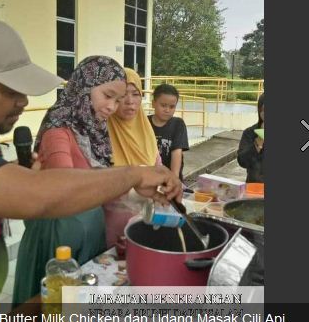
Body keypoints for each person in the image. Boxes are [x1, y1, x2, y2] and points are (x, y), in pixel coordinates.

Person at [0, 19, 181, 319]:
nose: (24, 102)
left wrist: (11, 172)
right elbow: (38, 196)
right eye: (11, 91)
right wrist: (133, 174)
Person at [12, 55, 126, 305]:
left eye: (118, 101)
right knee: (54, 309)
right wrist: (128, 178)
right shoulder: (57, 130)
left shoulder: (93, 131)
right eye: (107, 96)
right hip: (59, 238)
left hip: (89, 230)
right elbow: (67, 185)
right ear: (84, 87)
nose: (112, 107)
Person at [104, 68, 163, 248]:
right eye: (123, 95)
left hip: (148, 218)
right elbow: (98, 183)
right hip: (114, 222)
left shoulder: (146, 130)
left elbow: (158, 168)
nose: (130, 101)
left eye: (135, 94)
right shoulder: (102, 132)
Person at [148, 84, 189, 182]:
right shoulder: (145, 123)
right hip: (149, 178)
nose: (167, 110)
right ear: (153, 103)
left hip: (171, 179)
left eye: (172, 107)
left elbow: (177, 152)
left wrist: (173, 180)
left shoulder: (178, 124)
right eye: (163, 105)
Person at [237, 93, 264, 183]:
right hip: (254, 188)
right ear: (260, 111)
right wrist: (259, 141)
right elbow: (242, 161)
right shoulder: (250, 133)